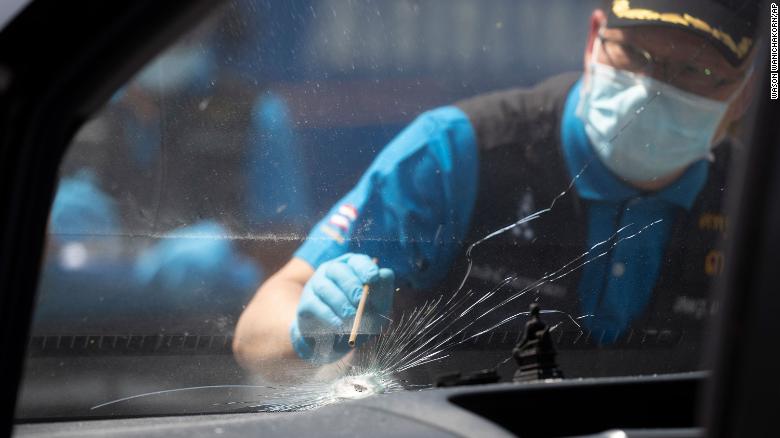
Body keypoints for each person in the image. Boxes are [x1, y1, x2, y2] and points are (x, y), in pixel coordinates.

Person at [233, 0, 759, 375]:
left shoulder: (757, 197)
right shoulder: (455, 150)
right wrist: (309, 331)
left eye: (695, 70)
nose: (652, 86)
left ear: (742, 95)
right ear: (594, 38)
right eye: (637, 55)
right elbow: (258, 326)